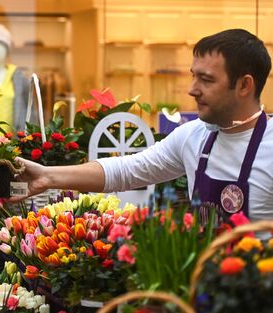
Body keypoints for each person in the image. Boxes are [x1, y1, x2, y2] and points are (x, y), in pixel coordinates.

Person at [16, 28, 273, 222]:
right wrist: (48, 176)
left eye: (206, 80)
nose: (192, 90)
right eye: (194, 77)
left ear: (244, 85)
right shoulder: (193, 137)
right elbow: (126, 170)